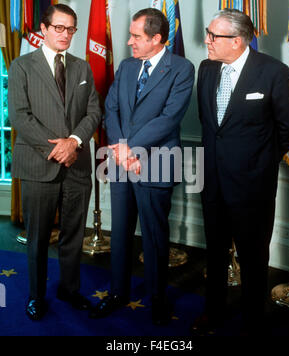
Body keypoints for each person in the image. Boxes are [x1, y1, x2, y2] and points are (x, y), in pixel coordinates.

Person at [194, 8, 289, 335]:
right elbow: (211, 126)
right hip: (212, 182)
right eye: (208, 34)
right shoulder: (207, 69)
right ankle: (214, 313)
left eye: (214, 36)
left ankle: (253, 321)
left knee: (254, 260)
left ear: (237, 41)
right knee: (214, 253)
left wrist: (260, 162)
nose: (207, 41)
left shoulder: (273, 72)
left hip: (253, 187)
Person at [89, 8, 194, 325]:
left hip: (156, 161)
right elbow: (112, 107)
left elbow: (169, 118)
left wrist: (129, 148)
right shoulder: (126, 65)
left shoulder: (182, 68)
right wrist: (121, 147)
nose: (129, 41)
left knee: (154, 235)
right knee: (119, 232)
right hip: (122, 161)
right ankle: (118, 293)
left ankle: (158, 299)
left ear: (157, 38)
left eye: (136, 36)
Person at [8, 4, 101, 321]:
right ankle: (36, 295)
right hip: (38, 164)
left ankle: (70, 289)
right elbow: (20, 115)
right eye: (58, 28)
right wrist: (58, 147)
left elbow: (93, 113)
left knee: (73, 235)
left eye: (71, 29)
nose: (65, 34)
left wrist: (73, 142)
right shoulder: (22, 65)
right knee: (37, 238)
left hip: (76, 165)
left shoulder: (82, 67)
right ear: (43, 30)